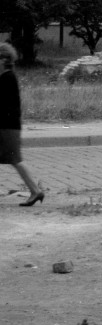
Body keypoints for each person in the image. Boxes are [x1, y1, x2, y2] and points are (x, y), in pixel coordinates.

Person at [0, 43, 43, 205]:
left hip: (7, 127)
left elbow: (6, 106)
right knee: (15, 159)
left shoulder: (8, 78)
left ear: (4, 60)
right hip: (8, 126)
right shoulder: (6, 77)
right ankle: (35, 190)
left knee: (16, 159)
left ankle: (36, 190)